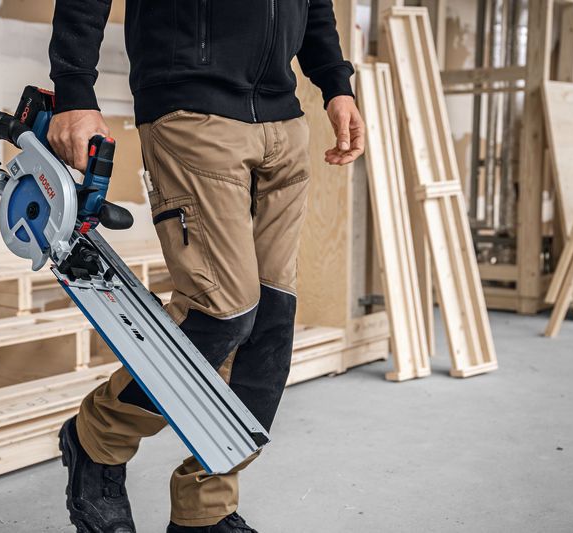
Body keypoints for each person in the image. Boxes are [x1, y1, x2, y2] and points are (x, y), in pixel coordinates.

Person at [48, 1, 364, 531]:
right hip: (191, 106)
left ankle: (205, 510)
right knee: (223, 312)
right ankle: (98, 435)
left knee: (269, 326)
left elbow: (314, 5)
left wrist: (335, 82)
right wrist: (75, 90)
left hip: (283, 119)